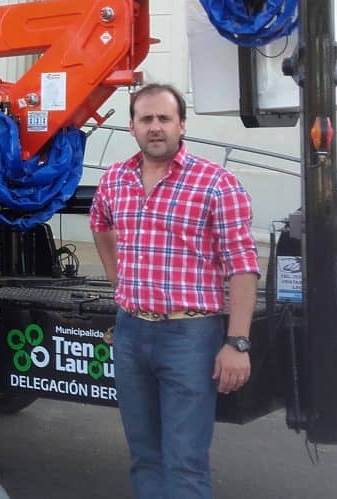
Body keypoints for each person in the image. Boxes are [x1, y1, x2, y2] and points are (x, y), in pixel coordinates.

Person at [89, 83, 259, 499]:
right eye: (146, 119)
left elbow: (243, 267)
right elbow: (100, 224)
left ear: (181, 124)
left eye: (164, 118)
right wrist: (119, 282)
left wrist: (237, 342)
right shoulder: (115, 179)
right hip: (130, 333)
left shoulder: (216, 184)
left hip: (190, 338)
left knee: (184, 462)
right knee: (143, 455)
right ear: (132, 127)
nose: (155, 127)